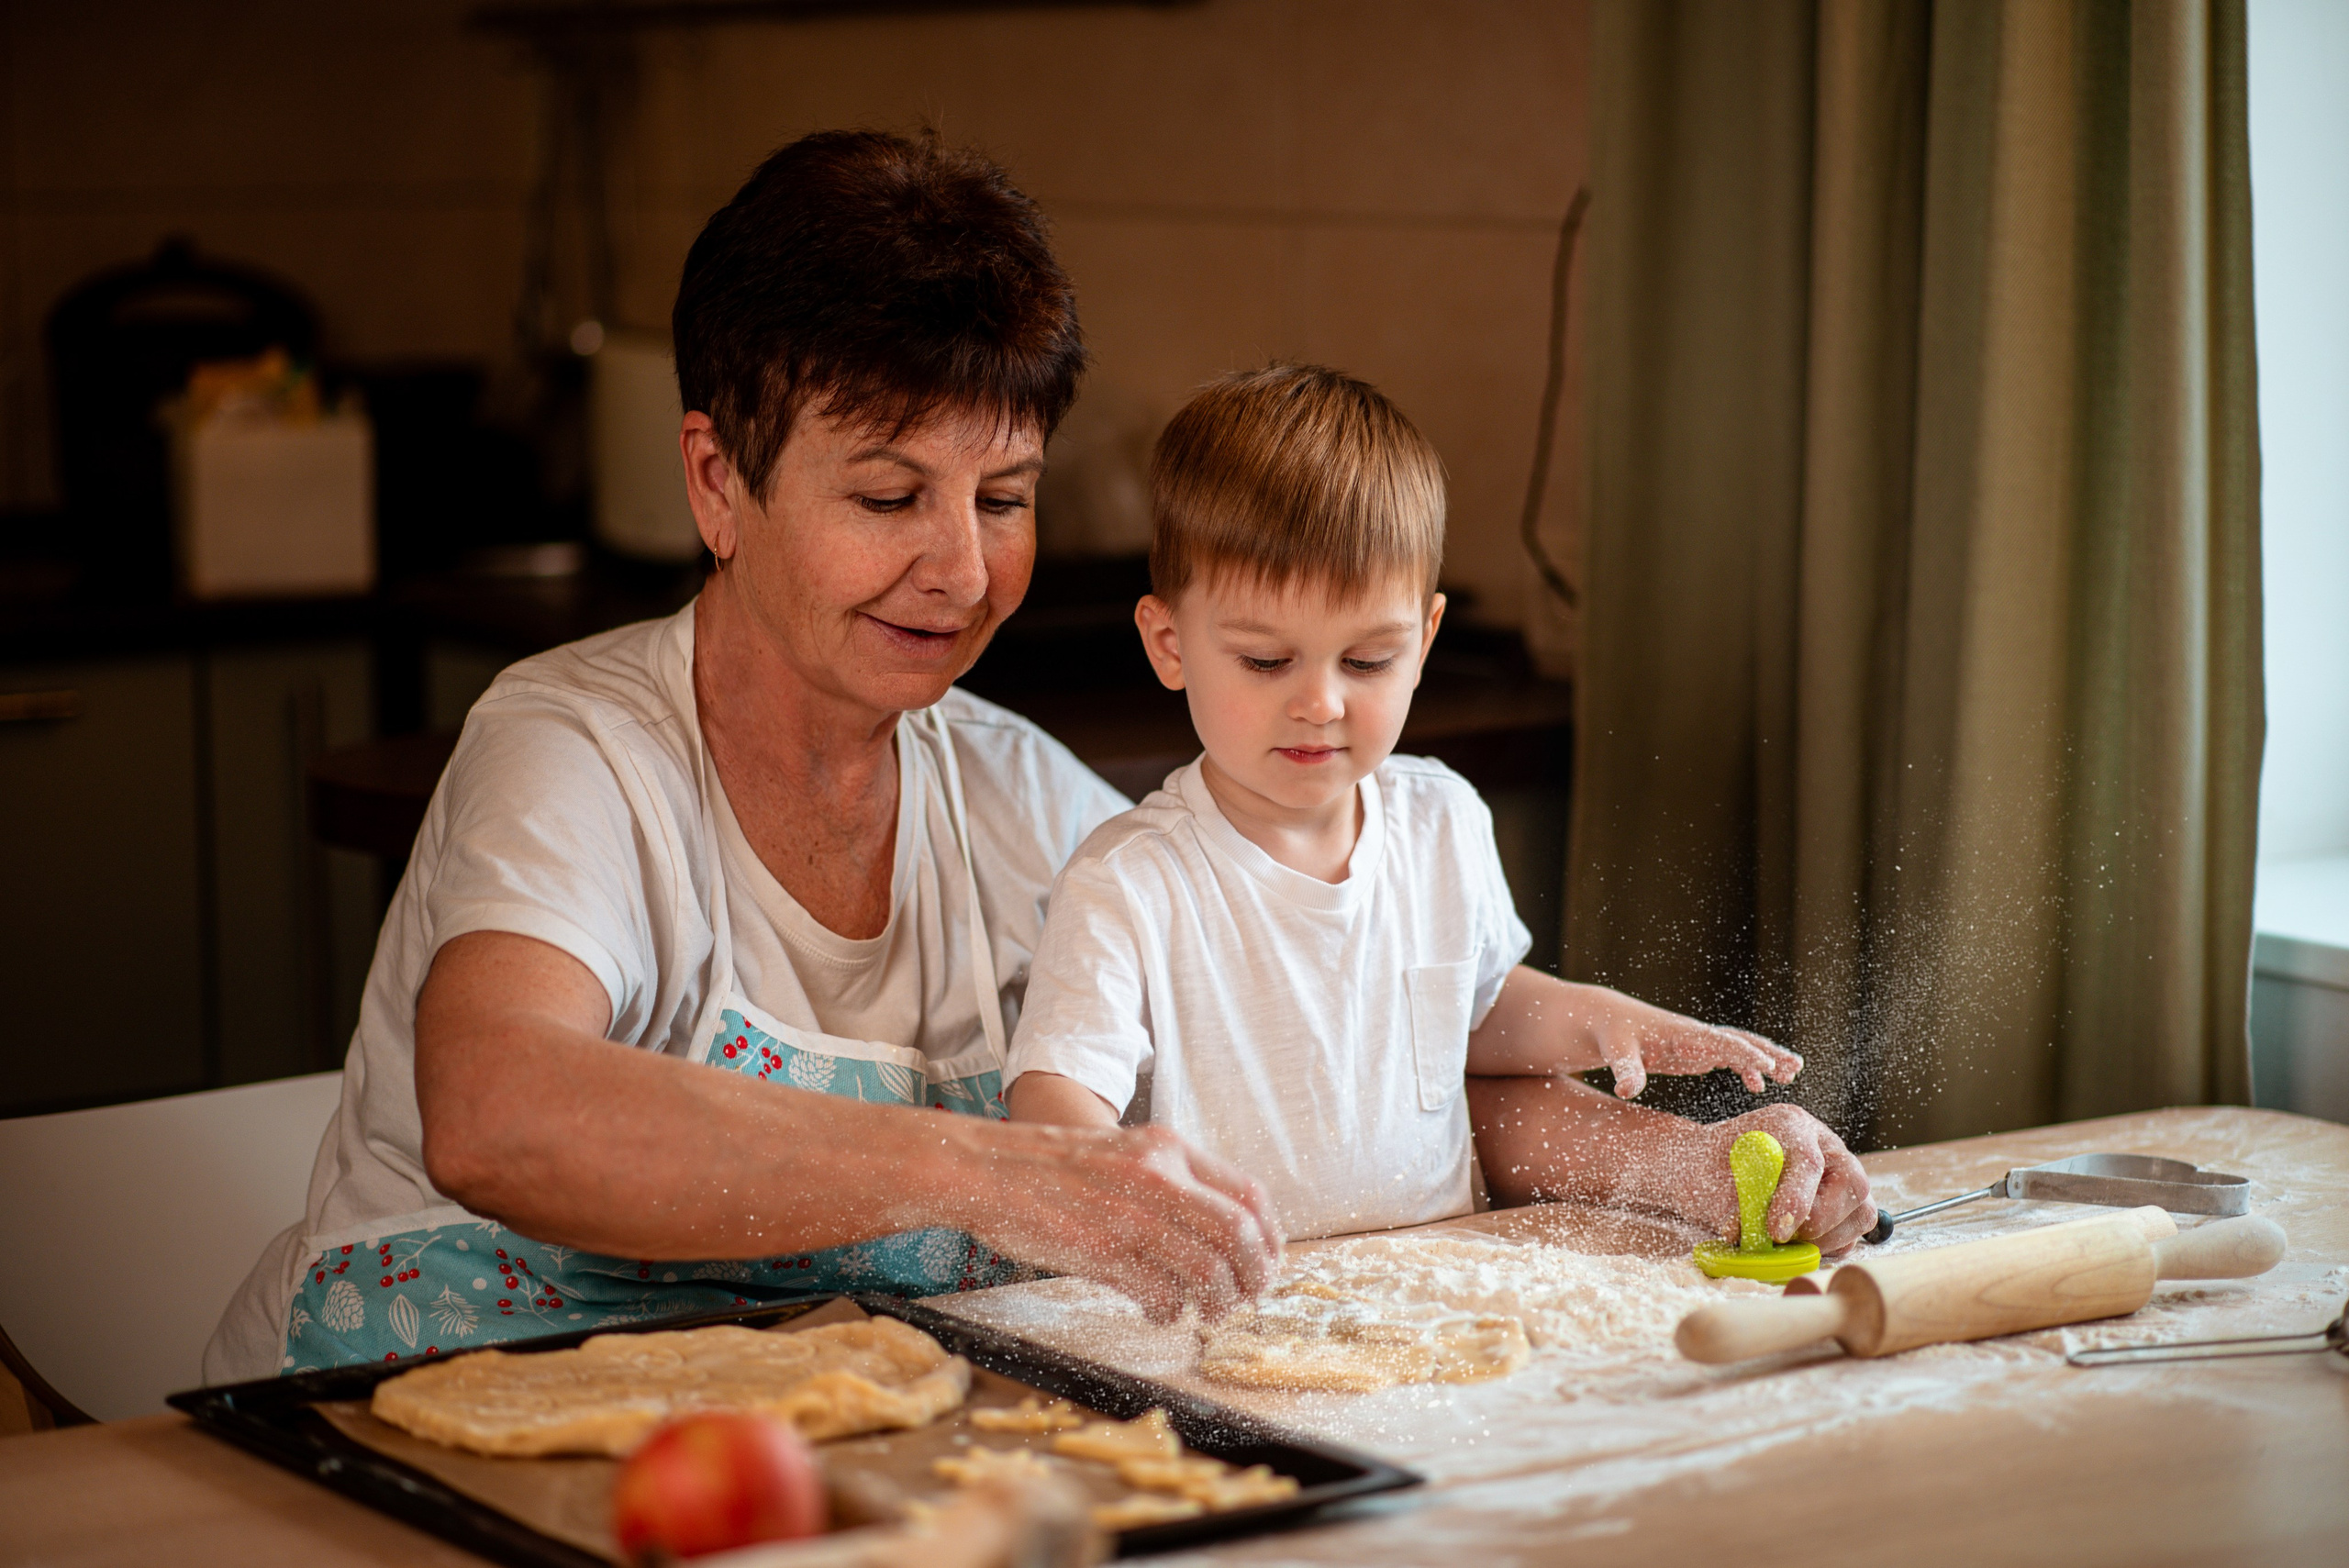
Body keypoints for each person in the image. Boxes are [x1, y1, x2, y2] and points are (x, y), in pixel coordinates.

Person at [205, 132, 1281, 1384]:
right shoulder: (577, 747)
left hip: (795, 1464)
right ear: (718, 482)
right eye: (887, 498)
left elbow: (1307, 993)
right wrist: (997, 1174)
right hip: (376, 1441)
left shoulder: (1023, 796)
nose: (964, 571)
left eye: (1002, 497)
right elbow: (501, 1115)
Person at [1005, 365, 1879, 1251]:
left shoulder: (1439, 821)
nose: (1321, 703)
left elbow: (1473, 1012)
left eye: (1368, 660)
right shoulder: (1131, 882)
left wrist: (1600, 1014)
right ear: (1169, 643)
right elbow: (1053, 1098)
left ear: (1422, 641)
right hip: (1226, 1314)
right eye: (1267, 661)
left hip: (1433, 1294)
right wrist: (1133, 1195)